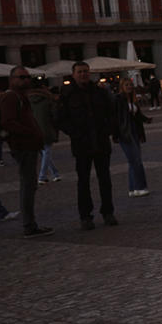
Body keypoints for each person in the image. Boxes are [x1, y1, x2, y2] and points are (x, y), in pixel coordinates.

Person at [57, 61, 118, 231]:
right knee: (83, 182)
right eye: (80, 72)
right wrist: (75, 134)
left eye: (86, 71)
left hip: (101, 142)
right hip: (81, 144)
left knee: (105, 180)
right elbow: (60, 119)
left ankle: (108, 212)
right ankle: (85, 216)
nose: (83, 74)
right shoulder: (67, 94)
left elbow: (111, 113)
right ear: (73, 74)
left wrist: (107, 130)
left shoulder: (99, 92)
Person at [0, 67, 54, 238]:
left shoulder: (22, 96)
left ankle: (30, 223)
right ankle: (29, 225)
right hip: (23, 146)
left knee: (30, 184)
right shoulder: (10, 97)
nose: (26, 80)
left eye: (27, 77)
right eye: (21, 77)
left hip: (29, 145)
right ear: (11, 79)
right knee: (28, 185)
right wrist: (31, 133)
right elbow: (8, 122)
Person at [114, 77, 151, 197]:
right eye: (126, 85)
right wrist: (115, 134)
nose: (129, 87)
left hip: (135, 132)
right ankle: (141, 186)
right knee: (136, 161)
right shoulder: (118, 100)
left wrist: (147, 120)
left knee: (132, 161)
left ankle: (132, 189)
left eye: (130, 85)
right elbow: (115, 118)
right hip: (125, 133)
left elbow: (138, 115)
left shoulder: (133, 99)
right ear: (122, 87)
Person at [29, 79, 61, 183]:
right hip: (46, 128)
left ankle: (55, 173)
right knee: (46, 152)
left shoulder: (27, 100)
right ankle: (42, 176)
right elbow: (55, 115)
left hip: (33, 130)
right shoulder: (48, 99)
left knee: (44, 153)